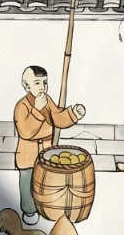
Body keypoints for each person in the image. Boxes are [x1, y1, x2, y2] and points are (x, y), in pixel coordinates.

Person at [13, 65, 86, 225]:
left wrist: (73, 114)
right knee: (27, 185)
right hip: (27, 156)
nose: (42, 87)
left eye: (44, 83)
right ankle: (29, 210)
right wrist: (37, 111)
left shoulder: (47, 101)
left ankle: (46, 209)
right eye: (37, 83)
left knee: (45, 184)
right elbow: (26, 131)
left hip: (46, 154)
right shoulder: (22, 106)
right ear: (27, 86)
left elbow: (58, 118)